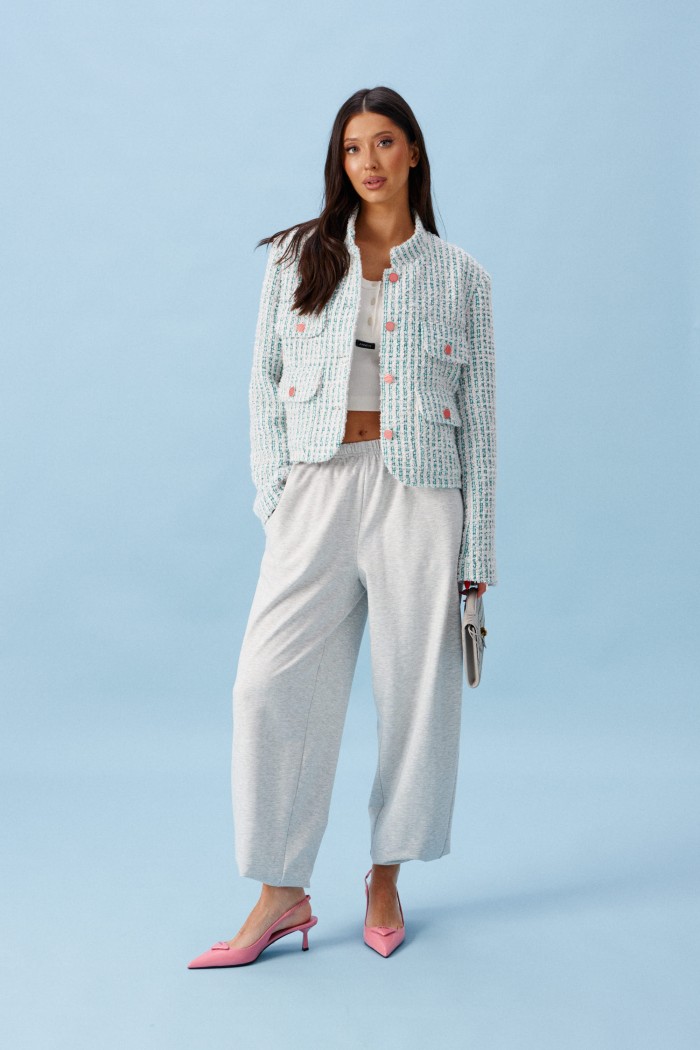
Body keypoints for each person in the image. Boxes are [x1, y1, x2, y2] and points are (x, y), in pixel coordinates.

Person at [188, 85, 497, 968]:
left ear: (413, 153)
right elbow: (262, 382)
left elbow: (482, 423)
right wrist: (276, 498)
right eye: (353, 147)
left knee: (417, 697)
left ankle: (386, 877)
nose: (369, 161)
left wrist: (477, 553)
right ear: (341, 161)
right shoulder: (297, 258)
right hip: (318, 489)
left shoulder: (462, 277)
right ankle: (280, 892)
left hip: (421, 496)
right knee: (265, 686)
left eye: (385, 142)